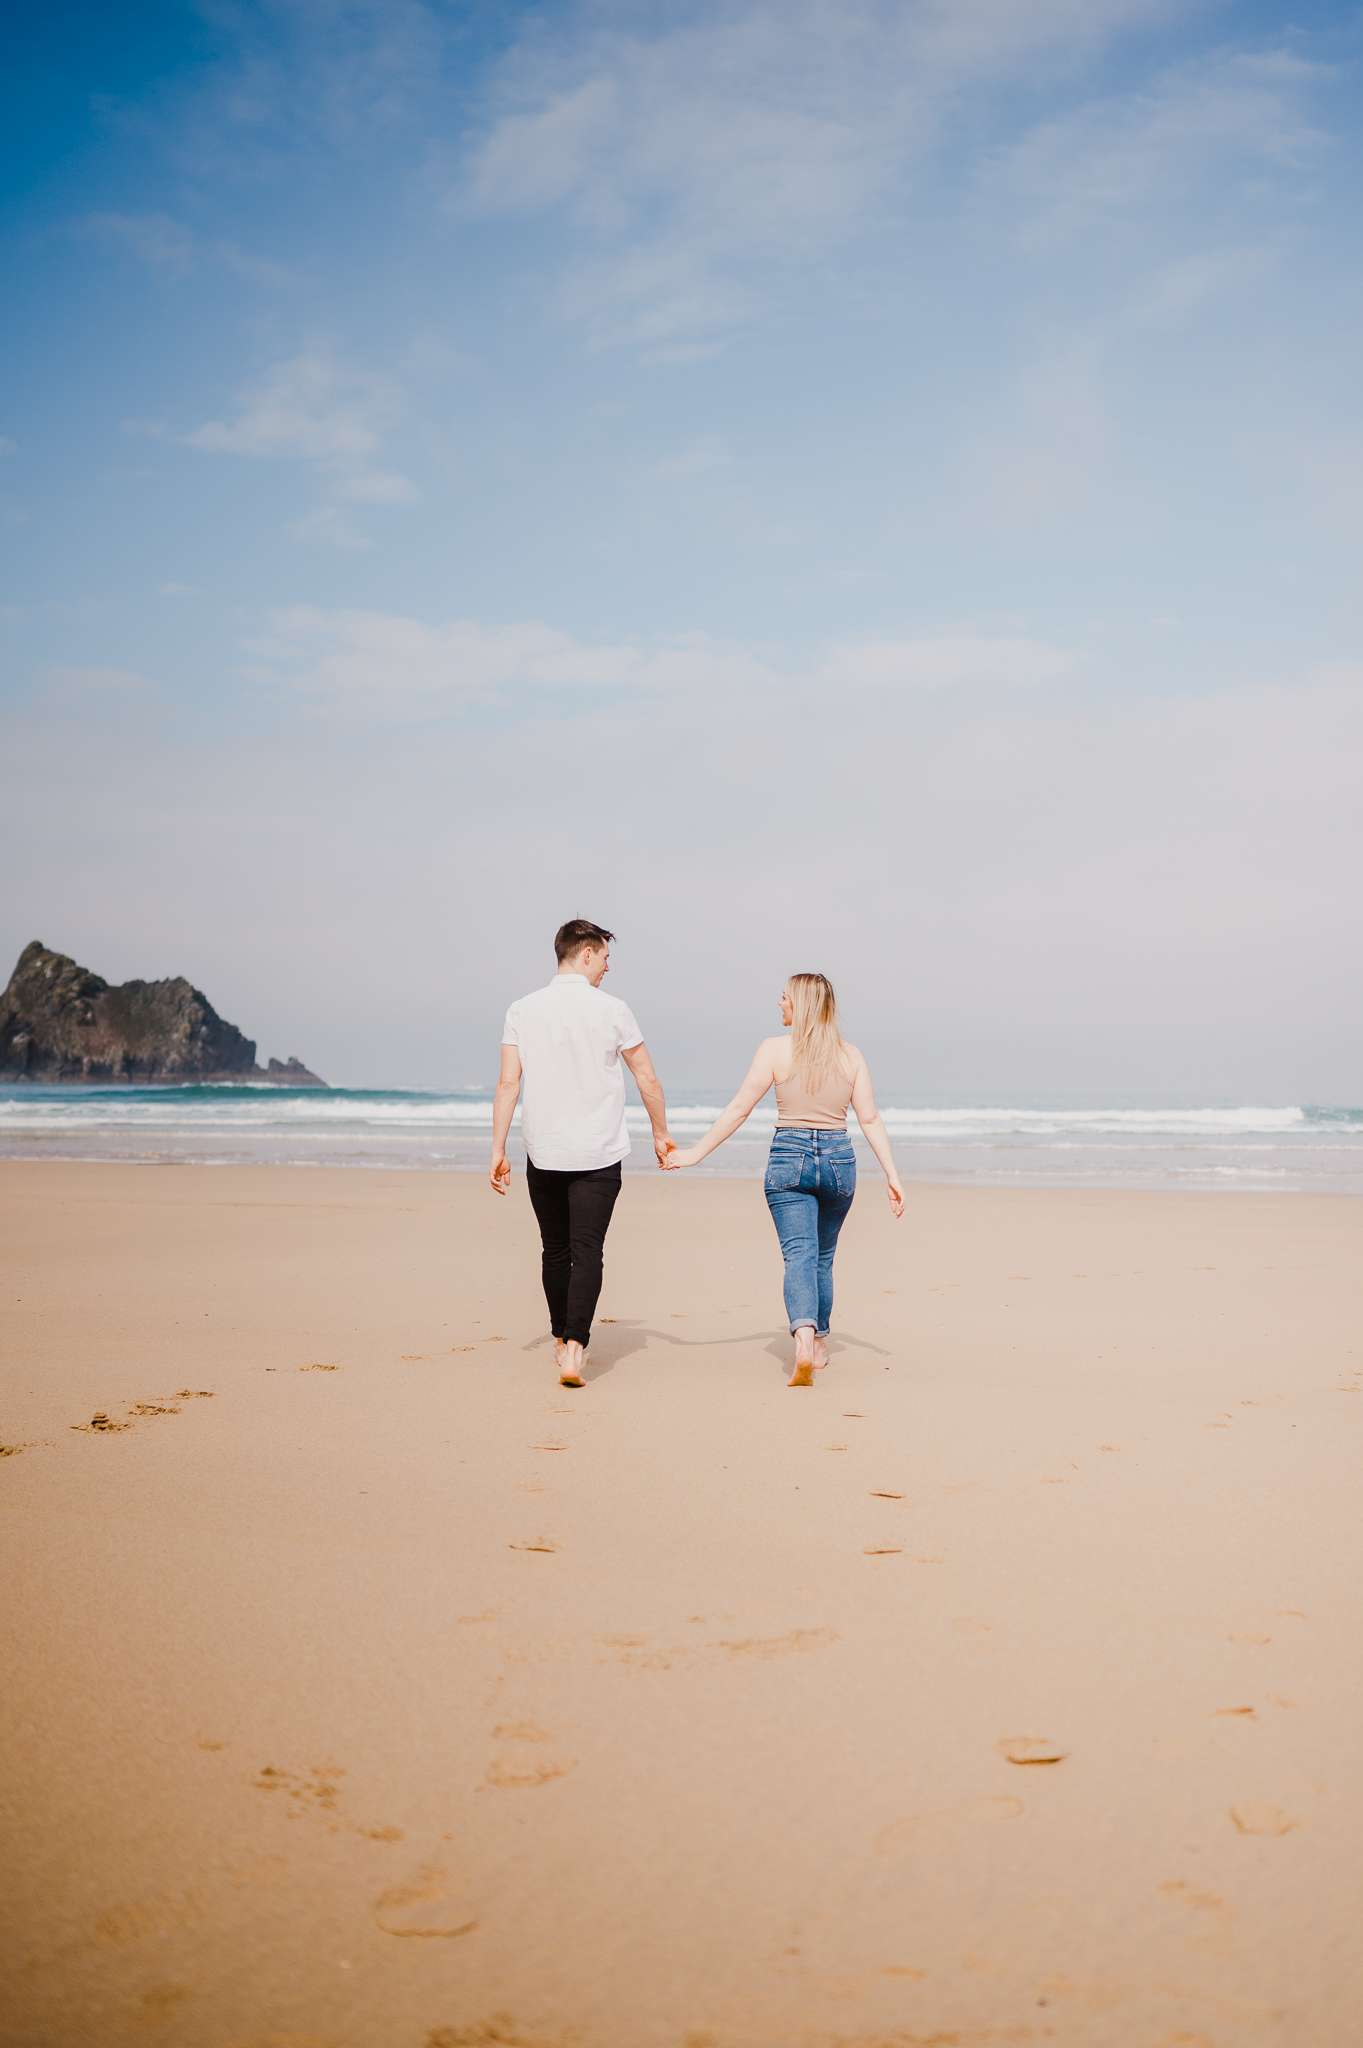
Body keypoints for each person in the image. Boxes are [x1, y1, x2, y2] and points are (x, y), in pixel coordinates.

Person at [665, 973, 904, 1387]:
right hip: (837, 1161)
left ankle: (804, 1338)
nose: (779, 1003)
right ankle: (821, 1343)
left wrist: (694, 1154)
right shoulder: (851, 1056)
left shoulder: (774, 1050)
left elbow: (739, 1108)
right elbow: (869, 1118)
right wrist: (892, 1174)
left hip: (788, 1157)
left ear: (802, 1005)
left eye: (784, 998)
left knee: (799, 1255)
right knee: (822, 1257)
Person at [491, 919, 673, 1388]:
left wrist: (497, 1148)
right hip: (598, 1152)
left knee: (555, 1249)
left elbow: (509, 1082)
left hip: (543, 1150)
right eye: (605, 959)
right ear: (586, 954)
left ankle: (558, 1338)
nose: (608, 968)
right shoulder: (614, 1010)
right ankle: (575, 1346)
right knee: (588, 1250)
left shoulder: (522, 1009)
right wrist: (660, 1133)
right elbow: (646, 1077)